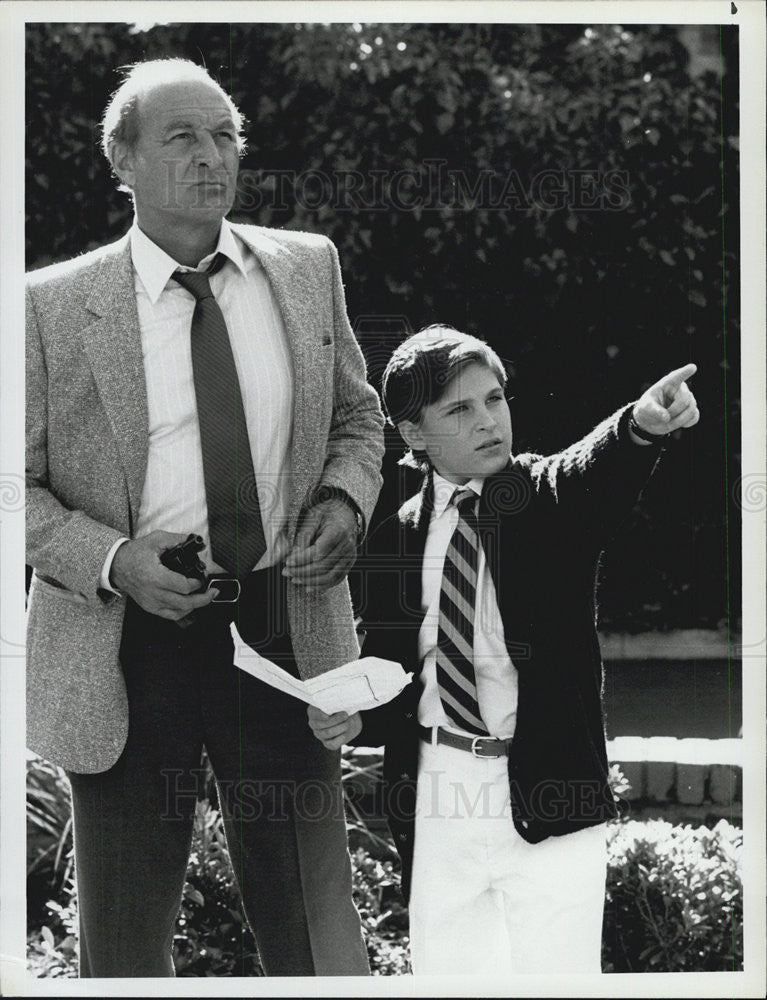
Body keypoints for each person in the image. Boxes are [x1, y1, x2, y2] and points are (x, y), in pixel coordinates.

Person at [26, 58, 385, 977]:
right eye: (182, 137)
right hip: (125, 639)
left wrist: (344, 501)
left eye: (224, 135)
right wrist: (110, 559)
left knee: (316, 931)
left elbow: (357, 416)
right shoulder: (46, 308)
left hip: (284, 627)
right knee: (128, 940)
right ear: (123, 157)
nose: (210, 156)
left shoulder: (308, 269)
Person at [308, 325, 699, 975]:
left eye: (494, 399)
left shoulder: (544, 499)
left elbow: (589, 469)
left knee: (557, 983)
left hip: (548, 789)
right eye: (459, 410)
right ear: (413, 434)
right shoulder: (398, 536)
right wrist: (352, 714)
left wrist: (639, 426)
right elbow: (396, 672)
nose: (488, 420)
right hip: (437, 795)